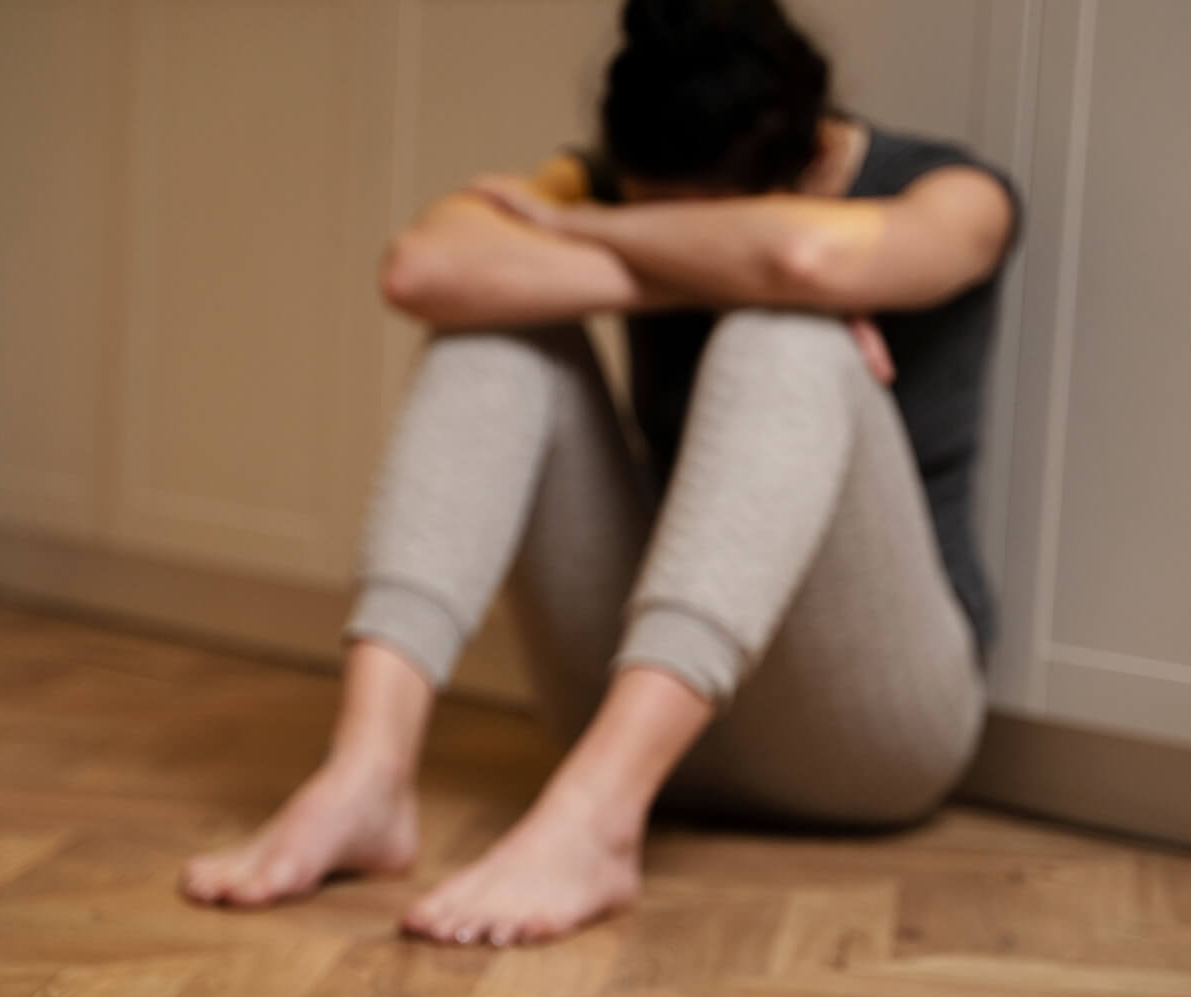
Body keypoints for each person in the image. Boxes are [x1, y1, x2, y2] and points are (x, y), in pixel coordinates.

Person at [181, 0, 1021, 945]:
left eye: (691, 223)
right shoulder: (599, 182)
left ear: (807, 165)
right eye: (637, 205)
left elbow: (803, 255)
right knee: (496, 337)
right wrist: (690, 256)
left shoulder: (953, 191)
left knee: (787, 335)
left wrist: (597, 243)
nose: (634, 220)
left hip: (867, 735)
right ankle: (366, 771)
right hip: (627, 691)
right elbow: (425, 268)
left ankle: (596, 821)